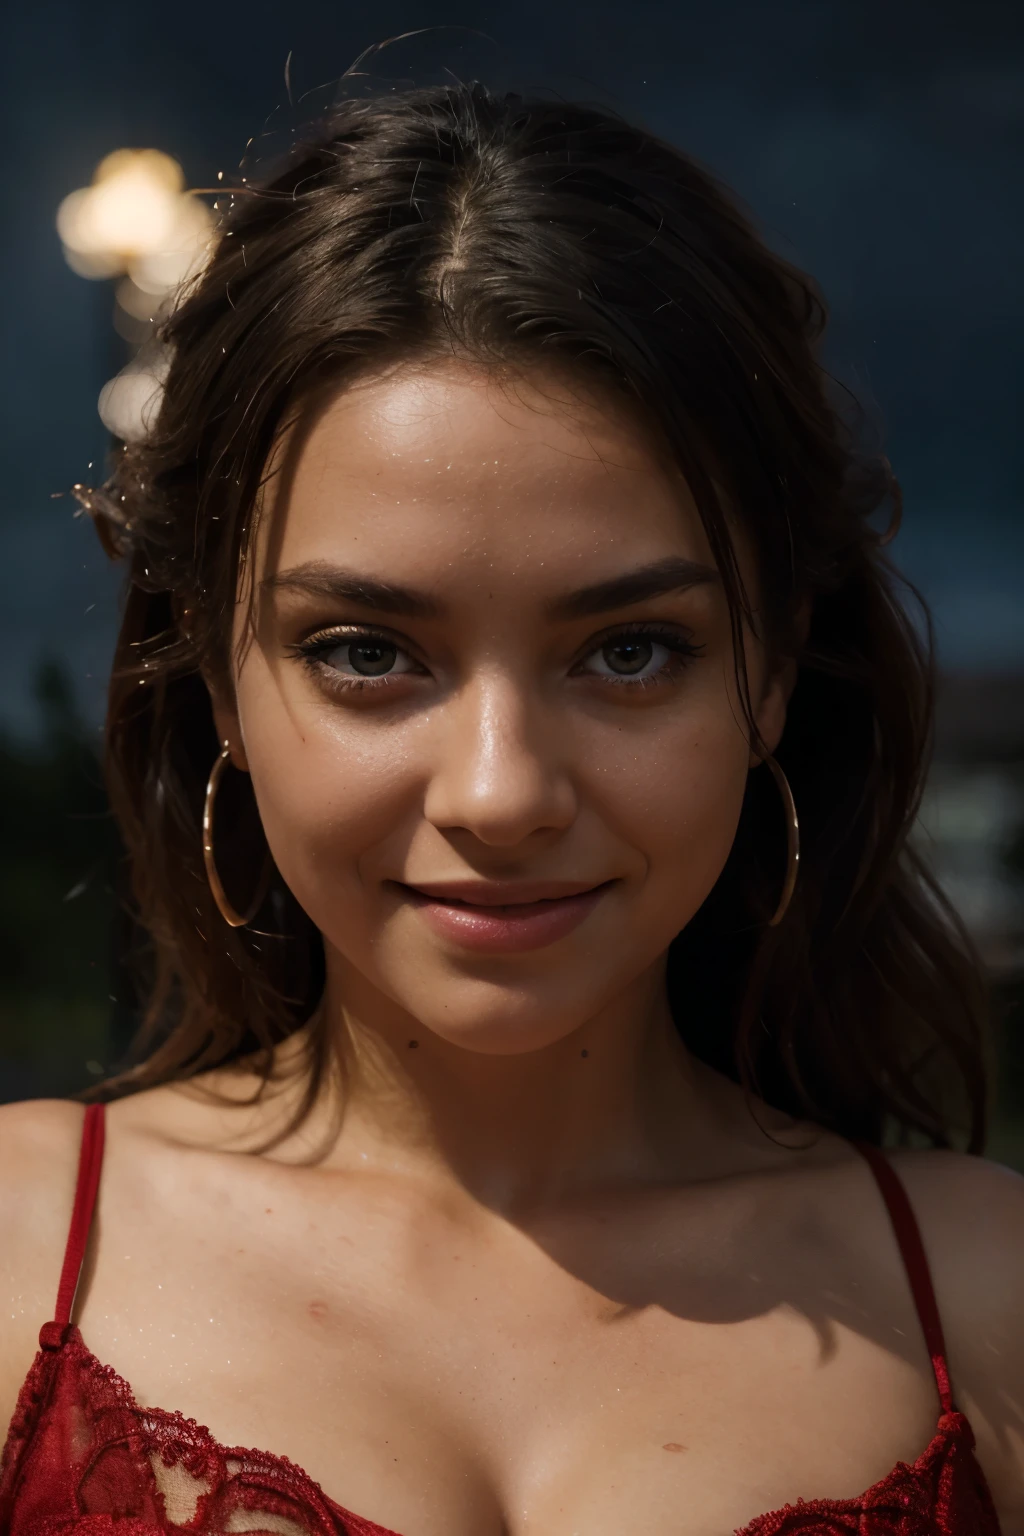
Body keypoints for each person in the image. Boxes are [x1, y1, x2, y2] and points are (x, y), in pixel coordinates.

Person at [1, 83, 1021, 1536]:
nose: (501, 793)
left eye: (628, 653)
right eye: (365, 653)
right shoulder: (21, 1255)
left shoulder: (989, 1305)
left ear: (774, 672)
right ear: (220, 677)